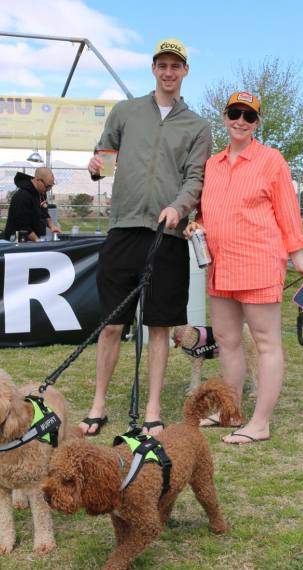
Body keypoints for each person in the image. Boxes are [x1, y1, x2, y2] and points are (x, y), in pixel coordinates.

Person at [79, 38, 212, 437]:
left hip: (167, 238)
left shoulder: (197, 126)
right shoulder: (126, 112)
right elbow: (104, 156)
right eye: (162, 65)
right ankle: (98, 403)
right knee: (111, 326)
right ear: (153, 68)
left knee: (158, 327)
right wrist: (94, 165)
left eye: (176, 66)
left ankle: (153, 407)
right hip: (123, 230)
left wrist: (179, 207)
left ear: (185, 71)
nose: (168, 72)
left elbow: (195, 178)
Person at [184, 91, 303, 446]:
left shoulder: (271, 161)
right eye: (234, 113)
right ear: (225, 116)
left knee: (265, 343)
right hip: (220, 266)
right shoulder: (211, 164)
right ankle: (231, 411)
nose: (240, 121)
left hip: (258, 263)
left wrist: (298, 258)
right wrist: (196, 224)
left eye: (248, 116)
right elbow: (206, 210)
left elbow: (287, 211)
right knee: (227, 341)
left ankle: (260, 423)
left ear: (257, 122)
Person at [0, 166, 60, 241]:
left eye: (51, 186)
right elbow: (22, 226)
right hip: (18, 242)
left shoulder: (41, 193)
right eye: (47, 186)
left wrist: (52, 226)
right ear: (38, 180)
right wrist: (38, 241)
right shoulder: (21, 196)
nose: (49, 190)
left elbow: (44, 213)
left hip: (35, 240)